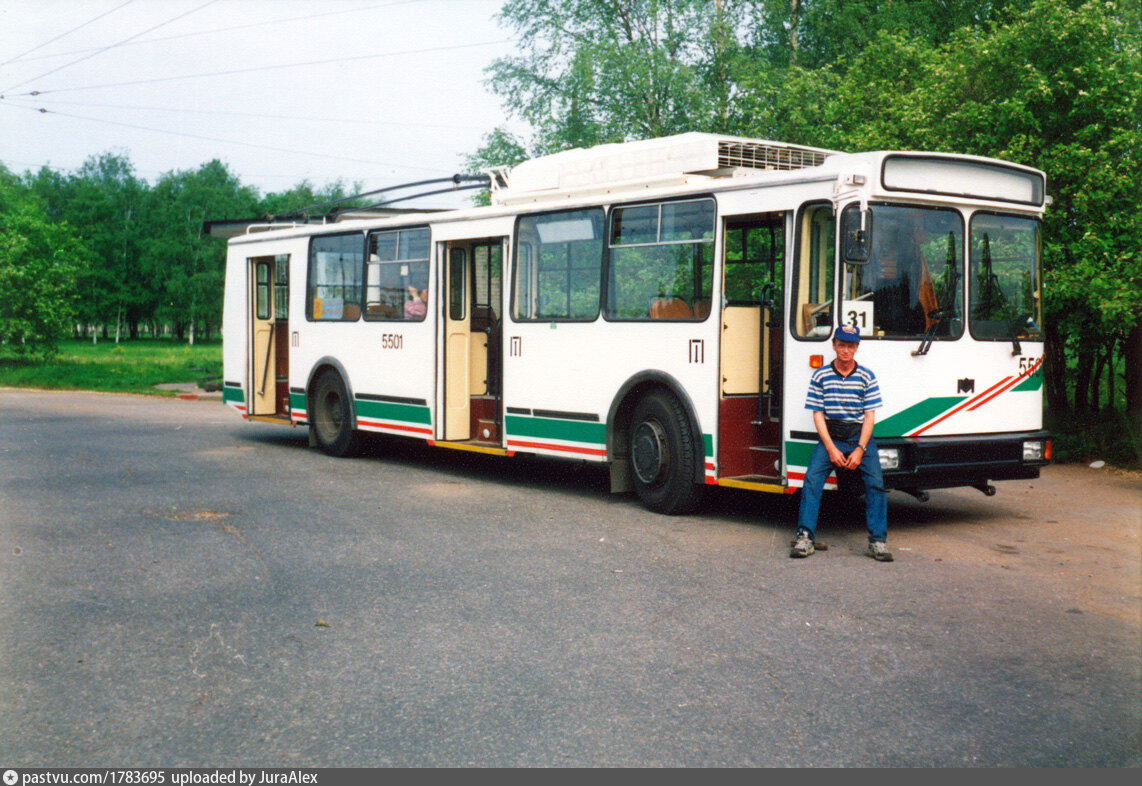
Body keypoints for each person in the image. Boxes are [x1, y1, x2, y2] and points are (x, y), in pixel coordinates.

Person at [790, 324, 893, 562]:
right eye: (841, 345)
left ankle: (877, 541)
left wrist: (860, 449)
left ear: (857, 348)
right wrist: (830, 448)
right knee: (812, 480)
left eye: (850, 346)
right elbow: (817, 414)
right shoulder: (821, 375)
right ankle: (805, 537)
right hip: (832, 435)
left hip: (859, 436)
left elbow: (869, 416)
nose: (845, 350)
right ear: (834, 345)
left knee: (876, 484)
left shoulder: (867, 376)